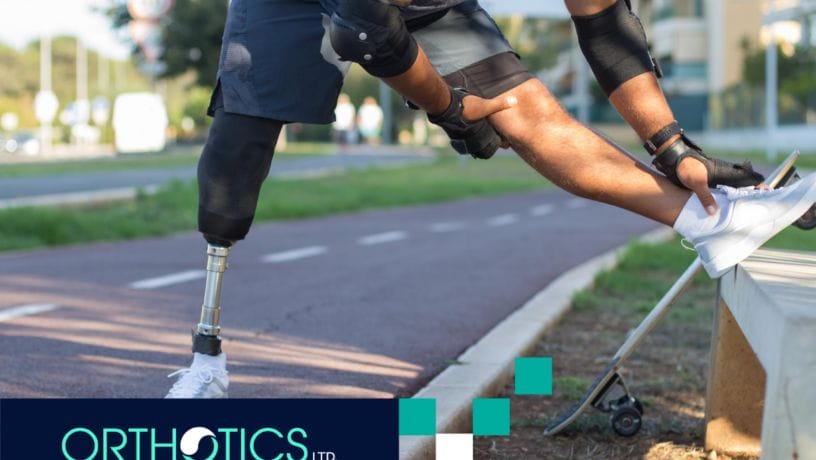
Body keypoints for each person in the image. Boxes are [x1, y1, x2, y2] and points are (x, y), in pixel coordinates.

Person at [164, 0, 816, 398]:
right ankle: (205, 360)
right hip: (308, 6)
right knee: (238, 151)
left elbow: (607, 28)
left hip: (412, 8)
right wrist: (451, 109)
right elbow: (371, 38)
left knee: (524, 105)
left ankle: (707, 222)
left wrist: (672, 145)